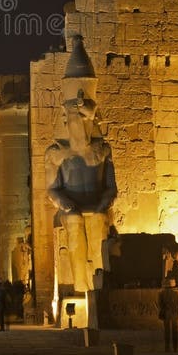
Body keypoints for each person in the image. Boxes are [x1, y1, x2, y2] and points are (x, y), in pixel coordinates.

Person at [46, 35, 117, 293]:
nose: (80, 127)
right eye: (75, 119)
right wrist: (64, 202)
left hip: (96, 203)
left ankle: (99, 287)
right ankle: (81, 286)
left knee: (98, 221)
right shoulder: (57, 153)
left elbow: (111, 187)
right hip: (71, 206)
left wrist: (105, 201)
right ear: (66, 120)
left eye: (84, 120)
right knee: (75, 222)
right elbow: (53, 189)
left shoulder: (102, 150)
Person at [158, 282, 178, 352]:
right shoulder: (176, 294)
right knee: (175, 331)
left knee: (167, 331)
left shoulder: (161, 294)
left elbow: (160, 305)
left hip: (166, 313)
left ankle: (167, 347)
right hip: (174, 313)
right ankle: (175, 347)